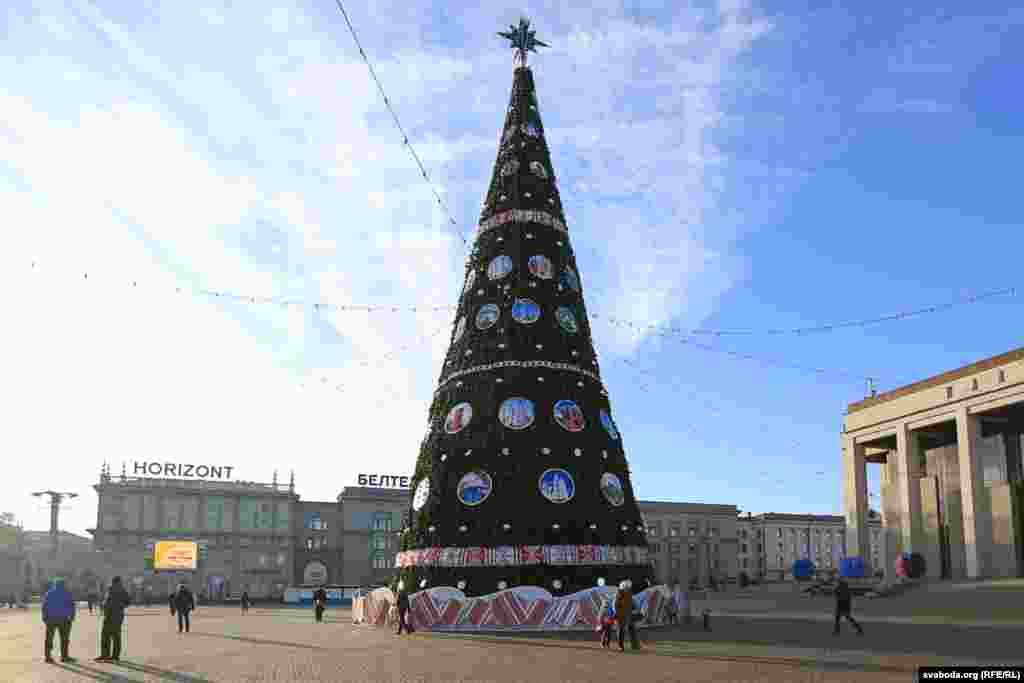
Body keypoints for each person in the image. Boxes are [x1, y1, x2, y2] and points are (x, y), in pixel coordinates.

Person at [96, 576, 131, 662]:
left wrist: (103, 606)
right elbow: (128, 602)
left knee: (106, 635)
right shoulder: (122, 590)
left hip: (109, 615)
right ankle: (115, 656)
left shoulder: (110, 590)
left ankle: (105, 655)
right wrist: (121, 606)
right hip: (118, 616)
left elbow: (107, 602)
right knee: (116, 636)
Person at [41, 578, 76, 663]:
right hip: (64, 619)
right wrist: (72, 616)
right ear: (64, 584)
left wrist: (44, 617)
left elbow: (44, 606)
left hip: (51, 619)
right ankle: (64, 656)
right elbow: (71, 606)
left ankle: (48, 656)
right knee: (64, 638)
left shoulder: (49, 593)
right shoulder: (67, 593)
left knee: (49, 638)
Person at [614, 580, 640, 651]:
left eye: (628, 588)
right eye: (626, 588)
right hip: (621, 616)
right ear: (622, 588)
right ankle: (620, 646)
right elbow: (615, 606)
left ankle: (635, 645)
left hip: (629, 615)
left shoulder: (629, 595)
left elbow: (633, 603)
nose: (628, 589)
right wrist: (618, 614)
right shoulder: (618, 596)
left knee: (632, 629)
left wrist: (636, 610)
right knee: (621, 631)